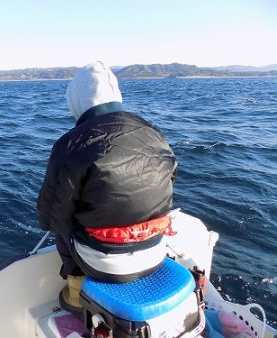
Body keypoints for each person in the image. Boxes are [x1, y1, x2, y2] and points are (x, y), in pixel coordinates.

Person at [37, 61, 177, 316]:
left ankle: (77, 294)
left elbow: (50, 219)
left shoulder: (70, 143)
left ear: (77, 101)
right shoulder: (154, 133)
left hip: (103, 265)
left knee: (62, 228)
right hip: (157, 252)